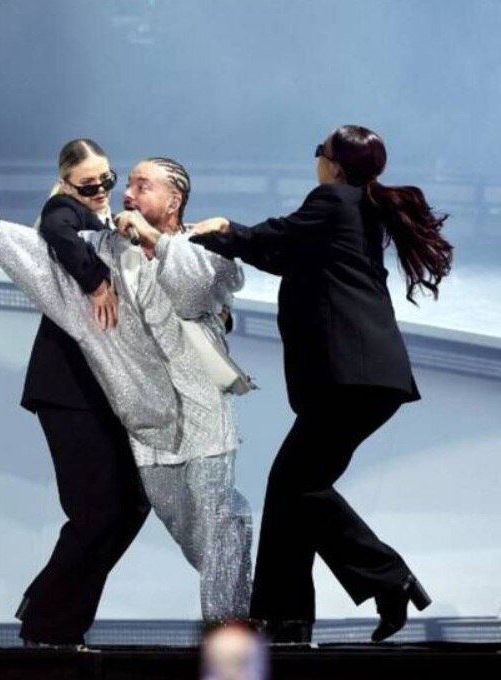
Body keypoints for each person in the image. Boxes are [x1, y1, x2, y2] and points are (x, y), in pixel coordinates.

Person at [0, 151, 253, 626]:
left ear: (175, 199)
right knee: (183, 527)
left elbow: (197, 291)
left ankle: (233, 630)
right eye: (128, 186)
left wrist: (156, 241)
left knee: (218, 517)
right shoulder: (105, 250)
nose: (126, 195)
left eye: (139, 185)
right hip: (146, 419)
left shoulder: (204, 245)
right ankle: (57, 616)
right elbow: (42, 256)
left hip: (204, 414)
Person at [190, 124, 453, 643]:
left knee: (298, 485)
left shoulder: (333, 200)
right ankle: (285, 620)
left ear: (332, 164)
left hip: (350, 377)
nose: (316, 162)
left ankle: (385, 576)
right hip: (364, 379)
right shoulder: (357, 209)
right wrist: (232, 240)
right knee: (293, 491)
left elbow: (271, 238)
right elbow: (280, 255)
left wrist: (221, 228)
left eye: (318, 153)